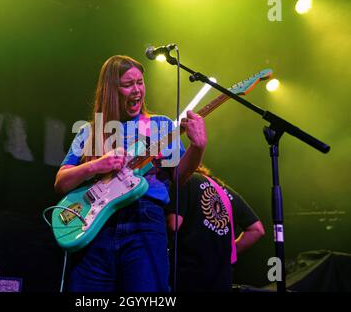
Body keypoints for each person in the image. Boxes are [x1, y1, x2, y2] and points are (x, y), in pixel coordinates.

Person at [54, 55, 207, 292]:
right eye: (128, 85)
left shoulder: (161, 125)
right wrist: (97, 165)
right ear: (110, 90)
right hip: (94, 227)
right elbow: (61, 183)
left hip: (144, 222)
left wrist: (198, 147)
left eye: (140, 83)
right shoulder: (90, 132)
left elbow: (179, 176)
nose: (137, 90)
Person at [166, 166, 265, 292]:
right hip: (222, 278)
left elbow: (173, 224)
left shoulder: (184, 179)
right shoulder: (225, 191)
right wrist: (225, 253)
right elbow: (257, 230)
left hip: (189, 274)